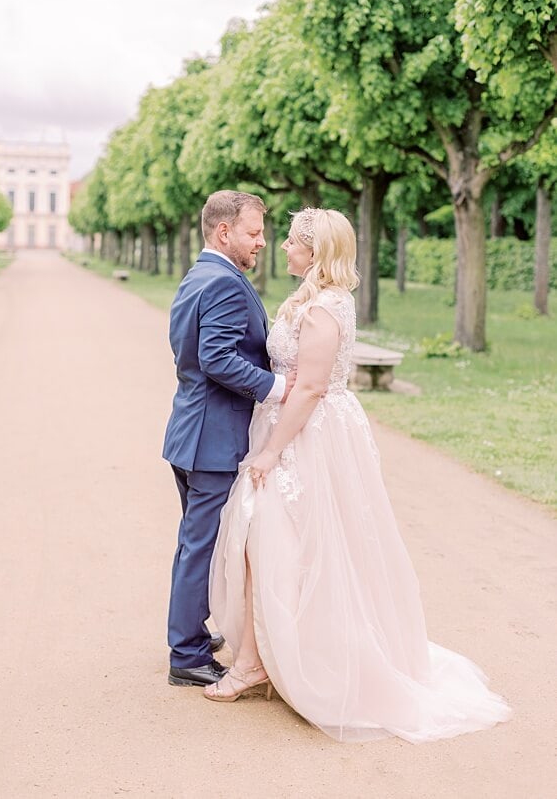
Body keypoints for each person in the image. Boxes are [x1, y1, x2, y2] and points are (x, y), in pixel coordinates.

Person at [204, 207, 511, 742]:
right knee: (271, 543)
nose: (281, 247)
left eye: (294, 242)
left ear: (316, 252)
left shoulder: (324, 309)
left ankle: (264, 661)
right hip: (291, 427)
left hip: (307, 439)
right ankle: (264, 653)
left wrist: (271, 451)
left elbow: (311, 388)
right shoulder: (309, 299)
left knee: (277, 540)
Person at [162, 190, 290, 687]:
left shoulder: (201, 275)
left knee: (198, 544)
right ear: (224, 232)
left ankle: (190, 630)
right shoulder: (223, 283)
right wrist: (275, 386)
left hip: (191, 429)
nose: (262, 242)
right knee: (202, 544)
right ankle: (187, 654)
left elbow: (187, 351)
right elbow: (215, 357)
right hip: (211, 438)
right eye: (254, 232)